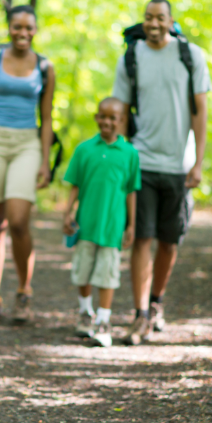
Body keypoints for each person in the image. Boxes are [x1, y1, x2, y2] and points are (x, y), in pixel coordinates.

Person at [112, 0, 211, 345]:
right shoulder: (131, 56)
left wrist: (199, 161)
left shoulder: (191, 55)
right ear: (144, 21)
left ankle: (155, 303)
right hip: (141, 162)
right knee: (141, 236)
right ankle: (139, 313)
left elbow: (200, 110)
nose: (154, 24)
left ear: (171, 21)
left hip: (179, 166)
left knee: (169, 241)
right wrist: (120, 157)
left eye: (160, 18)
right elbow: (120, 110)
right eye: (148, 18)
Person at [0, 4, 55, 323]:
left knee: (18, 220)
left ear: (35, 30)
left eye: (28, 27)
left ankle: (24, 293)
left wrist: (45, 161)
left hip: (26, 143)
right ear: (9, 27)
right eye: (17, 26)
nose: (22, 33)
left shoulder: (45, 67)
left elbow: (46, 118)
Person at [63, 98, 141, 347]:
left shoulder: (130, 153)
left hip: (112, 227)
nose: (107, 122)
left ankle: (103, 321)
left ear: (121, 121)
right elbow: (75, 185)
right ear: (97, 117)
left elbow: (131, 191)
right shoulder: (84, 149)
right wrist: (68, 213)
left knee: (107, 274)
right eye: (103, 117)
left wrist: (131, 225)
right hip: (86, 225)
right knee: (83, 272)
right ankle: (86, 313)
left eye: (113, 118)